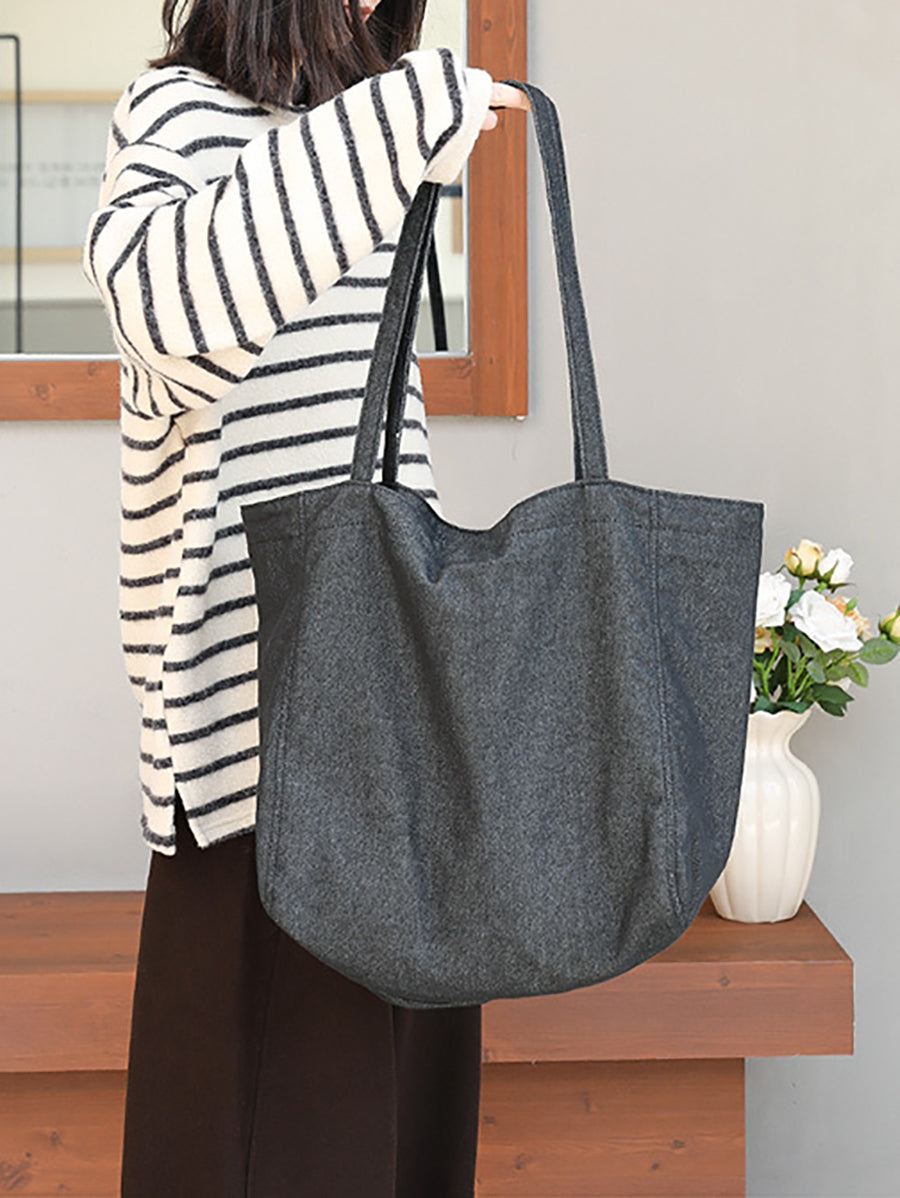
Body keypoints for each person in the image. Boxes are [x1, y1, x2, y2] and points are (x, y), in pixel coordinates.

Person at [81, 0, 529, 1192]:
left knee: (405, 1154)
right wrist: (394, 118)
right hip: (255, 773)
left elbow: (377, 452)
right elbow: (170, 317)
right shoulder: (174, 116)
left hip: (398, 759)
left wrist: (384, 130)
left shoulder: (364, 142)